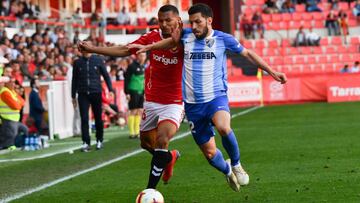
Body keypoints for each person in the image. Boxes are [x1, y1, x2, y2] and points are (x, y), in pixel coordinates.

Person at [130, 3, 287, 192]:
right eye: (192, 22)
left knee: (223, 126)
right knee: (211, 154)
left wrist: (272, 71)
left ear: (209, 21)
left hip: (215, 97)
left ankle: (236, 164)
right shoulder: (185, 36)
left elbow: (248, 54)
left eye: (198, 22)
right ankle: (228, 170)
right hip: (193, 106)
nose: (194, 26)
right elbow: (168, 43)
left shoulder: (223, 39)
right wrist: (148, 47)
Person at [78, 5, 184, 188]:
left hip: (174, 102)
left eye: (168, 20)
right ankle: (168, 157)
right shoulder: (152, 36)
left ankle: (149, 191)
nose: (164, 24)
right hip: (151, 101)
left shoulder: (187, 39)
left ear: (178, 21)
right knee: (146, 144)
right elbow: (126, 49)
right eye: (161, 21)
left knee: (162, 140)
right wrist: (94, 49)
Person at [72, 41, 114, 152]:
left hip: (96, 92)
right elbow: (74, 80)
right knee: (84, 118)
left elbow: (106, 75)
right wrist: (73, 96)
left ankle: (99, 140)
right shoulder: (77, 62)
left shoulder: (98, 60)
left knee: (98, 117)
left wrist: (111, 89)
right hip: (82, 93)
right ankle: (86, 142)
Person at [0, 77, 28, 150]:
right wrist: (18, 104)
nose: (13, 84)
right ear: (6, 84)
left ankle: (20, 144)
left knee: (25, 130)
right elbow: (16, 106)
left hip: (14, 119)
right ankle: (8, 149)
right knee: (11, 137)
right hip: (8, 118)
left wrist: (18, 104)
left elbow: (22, 101)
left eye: (14, 82)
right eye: (11, 82)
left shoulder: (12, 91)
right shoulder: (4, 92)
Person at [124, 53, 146, 139]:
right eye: (141, 55)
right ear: (137, 56)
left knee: (140, 110)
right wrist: (127, 92)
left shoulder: (143, 67)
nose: (143, 57)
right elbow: (126, 79)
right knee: (133, 110)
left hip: (141, 91)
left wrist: (145, 92)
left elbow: (144, 80)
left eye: (144, 55)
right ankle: (131, 132)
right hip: (133, 91)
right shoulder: (132, 66)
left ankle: (137, 131)